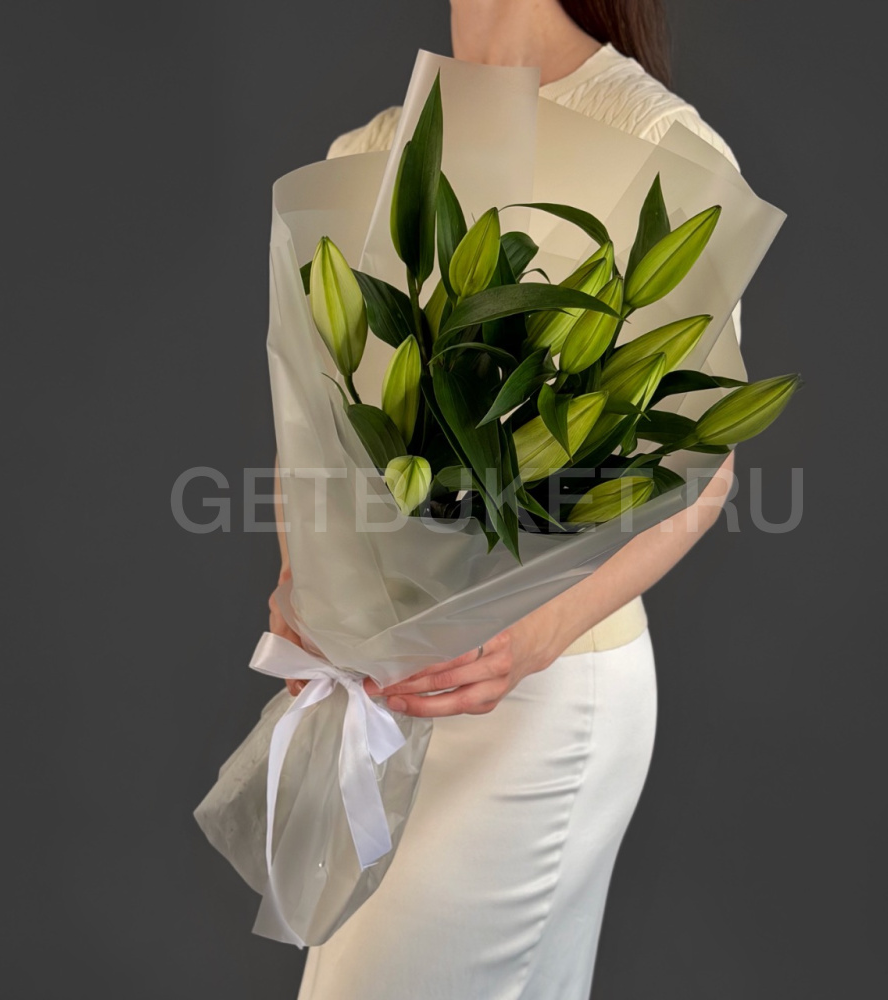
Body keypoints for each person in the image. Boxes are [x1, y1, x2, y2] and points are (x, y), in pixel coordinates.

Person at [269, 2, 745, 996]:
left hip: (543, 691)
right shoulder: (368, 150)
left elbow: (701, 472)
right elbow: (319, 432)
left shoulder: (656, 140)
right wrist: (303, 585)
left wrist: (531, 635)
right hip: (386, 694)